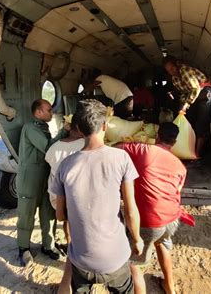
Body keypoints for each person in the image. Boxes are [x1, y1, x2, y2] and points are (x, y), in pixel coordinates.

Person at [50, 99, 144, 294]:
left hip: (81, 261)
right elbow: (130, 210)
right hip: (115, 260)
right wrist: (136, 240)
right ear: (104, 126)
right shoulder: (121, 158)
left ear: (79, 129)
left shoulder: (65, 165)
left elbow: (60, 216)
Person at [118, 123, 187, 294]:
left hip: (151, 220)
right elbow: (176, 191)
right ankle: (169, 287)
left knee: (132, 260)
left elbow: (118, 147)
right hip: (172, 218)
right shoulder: (180, 166)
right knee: (163, 243)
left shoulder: (143, 150)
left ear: (157, 135)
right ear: (175, 142)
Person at [16, 99, 68, 266]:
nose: (51, 112)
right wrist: (63, 131)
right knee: (26, 213)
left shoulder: (42, 128)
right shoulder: (30, 128)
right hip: (30, 178)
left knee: (48, 212)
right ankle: (23, 248)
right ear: (38, 112)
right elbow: (48, 148)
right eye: (48, 110)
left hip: (44, 176)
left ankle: (48, 245)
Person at [45, 118, 84, 293]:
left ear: (68, 128)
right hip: (77, 197)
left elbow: (49, 163)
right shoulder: (85, 144)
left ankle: (70, 244)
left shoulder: (53, 148)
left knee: (66, 220)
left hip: (57, 197)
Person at [163, 57, 211, 156]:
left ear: (176, 65)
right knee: (189, 119)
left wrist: (187, 104)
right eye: (168, 70)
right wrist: (182, 106)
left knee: (201, 123)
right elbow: (183, 93)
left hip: (204, 92)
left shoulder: (185, 71)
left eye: (172, 68)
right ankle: (189, 149)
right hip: (193, 96)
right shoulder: (174, 79)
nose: (171, 72)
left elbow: (195, 88)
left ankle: (197, 154)